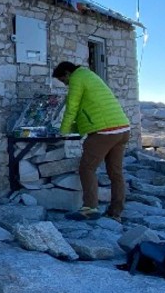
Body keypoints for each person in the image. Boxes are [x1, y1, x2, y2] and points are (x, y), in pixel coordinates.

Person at [52, 60, 131, 220]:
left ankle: (90, 208)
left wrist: (63, 131)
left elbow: (72, 107)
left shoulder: (77, 78)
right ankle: (116, 212)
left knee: (86, 168)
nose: (66, 85)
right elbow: (87, 112)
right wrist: (74, 129)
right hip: (122, 129)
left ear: (67, 73)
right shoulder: (90, 76)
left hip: (104, 132)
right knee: (115, 173)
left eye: (63, 81)